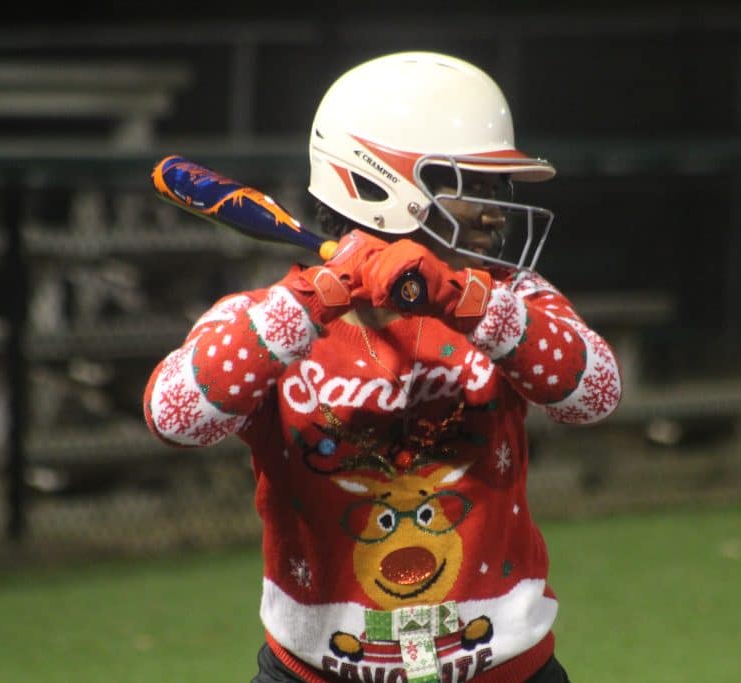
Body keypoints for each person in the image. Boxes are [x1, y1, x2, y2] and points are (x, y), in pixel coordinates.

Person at [143, 51, 621, 683]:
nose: (497, 208)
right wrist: (324, 292)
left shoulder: (511, 296)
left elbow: (596, 392)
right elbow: (175, 414)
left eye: (497, 187)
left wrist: (463, 300)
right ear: (385, 187)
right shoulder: (272, 317)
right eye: (473, 184)